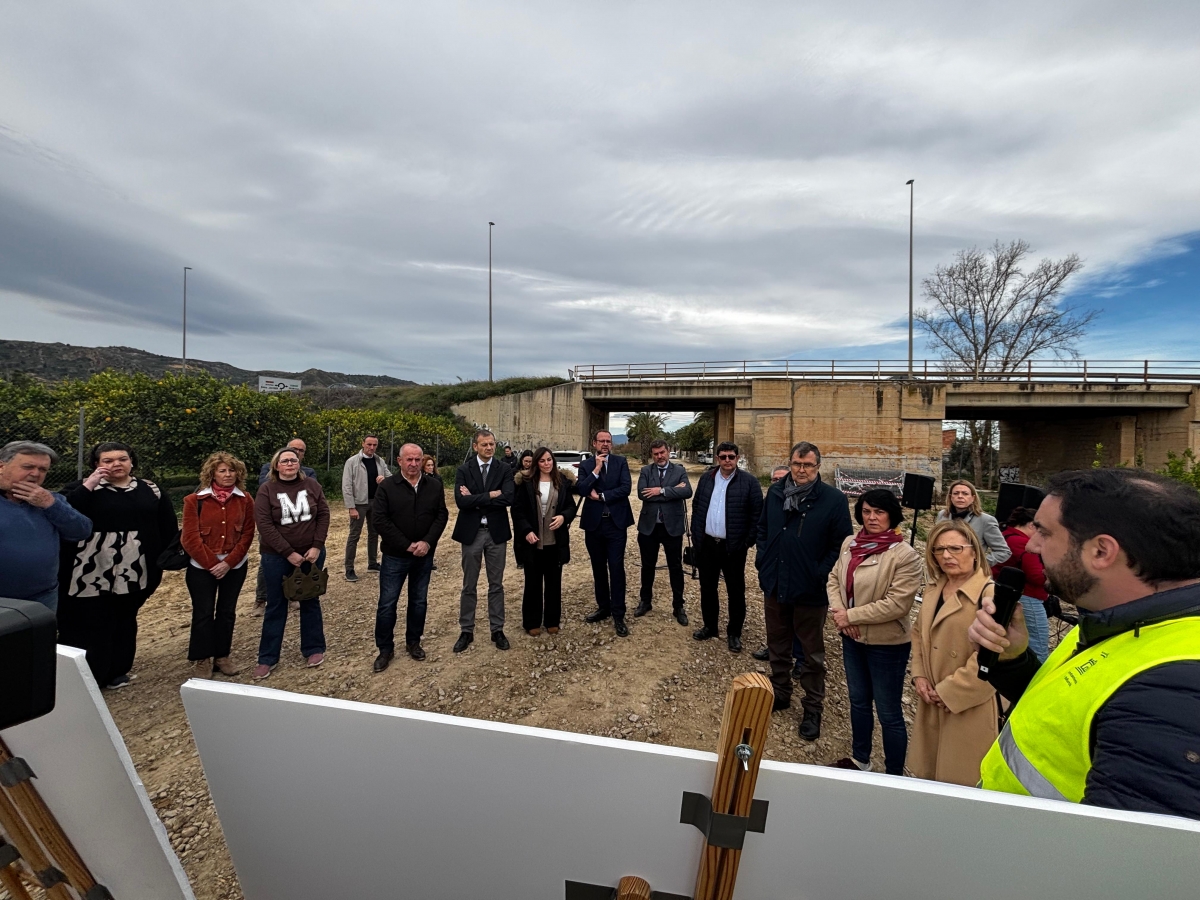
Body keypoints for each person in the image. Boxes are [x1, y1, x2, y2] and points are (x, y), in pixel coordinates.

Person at [970, 469, 1200, 820]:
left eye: (1044, 532)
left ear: (1101, 550)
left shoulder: (1171, 693)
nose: (1031, 544)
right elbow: (1074, 715)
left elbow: (1122, 860)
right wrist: (1014, 659)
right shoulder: (1115, 617)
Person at [57, 442, 179, 689]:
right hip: (89, 570)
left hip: (134, 569)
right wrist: (89, 485)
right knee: (90, 620)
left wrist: (163, 560)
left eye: (122, 459)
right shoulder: (80, 489)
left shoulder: (150, 489)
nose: (116, 464)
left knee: (124, 618)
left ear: (131, 461)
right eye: (108, 460)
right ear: (96, 465)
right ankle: (86, 676)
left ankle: (117, 670)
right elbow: (65, 513)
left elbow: (166, 526)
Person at [756, 441, 852, 740]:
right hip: (775, 582)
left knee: (811, 654)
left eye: (807, 465)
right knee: (778, 644)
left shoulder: (833, 500)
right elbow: (763, 528)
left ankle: (812, 708)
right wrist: (763, 559)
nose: (801, 470)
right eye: (797, 464)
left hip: (810, 589)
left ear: (817, 467)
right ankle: (781, 692)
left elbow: (841, 544)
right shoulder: (775, 492)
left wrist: (819, 572)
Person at [826, 489, 922, 775]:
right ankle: (861, 759)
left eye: (879, 512)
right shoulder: (850, 543)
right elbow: (833, 579)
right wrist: (841, 615)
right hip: (852, 638)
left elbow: (897, 604)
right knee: (858, 701)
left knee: (889, 712)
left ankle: (894, 774)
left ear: (891, 515)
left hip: (887, 645)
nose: (872, 517)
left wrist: (850, 615)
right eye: (867, 511)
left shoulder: (905, 556)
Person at [909, 519, 998, 786]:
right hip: (932, 698)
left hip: (968, 705)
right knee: (930, 777)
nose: (947, 555)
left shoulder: (991, 595)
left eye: (955, 548)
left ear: (974, 550)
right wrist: (920, 676)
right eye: (939, 549)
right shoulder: (934, 589)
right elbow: (918, 633)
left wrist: (949, 692)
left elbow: (993, 656)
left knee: (961, 782)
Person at [252, 447, 331, 679]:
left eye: (293, 460)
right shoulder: (267, 490)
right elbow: (265, 525)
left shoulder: (312, 486)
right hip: (276, 556)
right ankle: (267, 658)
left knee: (310, 600)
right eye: (285, 461)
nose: (290, 464)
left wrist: (317, 545)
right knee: (276, 605)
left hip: (311, 554)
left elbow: (324, 514)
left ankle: (314, 648)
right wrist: (288, 553)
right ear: (276, 465)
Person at [371, 444, 448, 670]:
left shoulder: (434, 485)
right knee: (387, 604)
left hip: (424, 556)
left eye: (417, 459)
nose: (414, 464)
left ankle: (413, 642)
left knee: (418, 601)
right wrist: (406, 545)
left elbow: (441, 515)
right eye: (409, 460)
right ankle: (385, 649)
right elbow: (380, 520)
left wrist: (427, 542)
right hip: (395, 556)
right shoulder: (387, 487)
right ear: (399, 461)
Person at [180, 452, 256, 678]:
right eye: (222, 470)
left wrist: (229, 562)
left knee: (226, 611)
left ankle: (222, 656)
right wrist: (213, 564)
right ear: (212, 473)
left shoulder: (245, 500)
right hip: (202, 567)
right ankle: (202, 658)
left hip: (234, 566)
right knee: (203, 612)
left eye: (232, 470)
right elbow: (190, 538)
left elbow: (247, 534)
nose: (228, 475)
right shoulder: (194, 501)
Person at [0, 440, 92, 611]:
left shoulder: (50, 500)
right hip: (3, 599)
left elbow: (82, 531)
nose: (35, 474)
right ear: (1, 466)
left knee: (39, 638)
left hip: (42, 596)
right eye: (28, 467)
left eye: (43, 469)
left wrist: (50, 504)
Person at [691, 442, 763, 653]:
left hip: (733, 548)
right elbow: (697, 507)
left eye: (731, 456)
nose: (727, 460)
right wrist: (697, 537)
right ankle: (710, 626)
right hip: (707, 545)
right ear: (717, 458)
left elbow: (756, 516)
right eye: (723, 457)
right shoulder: (706, 479)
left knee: (736, 591)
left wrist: (746, 542)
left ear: (737, 457)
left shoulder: (749, 482)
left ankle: (734, 633)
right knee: (707, 588)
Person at [451, 429, 515, 652]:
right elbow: (461, 501)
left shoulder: (504, 469)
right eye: (484, 444)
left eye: (492, 444)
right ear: (475, 446)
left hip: (496, 533)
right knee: (469, 585)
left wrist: (475, 499)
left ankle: (497, 629)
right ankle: (466, 630)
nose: (489, 448)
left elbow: (508, 497)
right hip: (472, 532)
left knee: (496, 584)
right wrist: (490, 495)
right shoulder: (464, 469)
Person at [511, 447, 578, 636]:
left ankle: (552, 620)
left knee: (553, 583)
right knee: (532, 583)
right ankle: (532, 622)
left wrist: (564, 517)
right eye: (542, 461)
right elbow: (517, 510)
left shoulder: (562, 481)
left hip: (555, 542)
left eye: (549, 460)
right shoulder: (525, 483)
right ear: (536, 463)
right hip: (533, 541)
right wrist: (526, 531)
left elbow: (570, 507)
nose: (547, 463)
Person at [576, 429, 635, 637]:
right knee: (598, 567)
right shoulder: (585, 466)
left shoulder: (621, 462)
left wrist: (601, 495)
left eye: (608, 441)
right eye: (601, 441)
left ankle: (619, 614)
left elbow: (625, 488)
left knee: (616, 568)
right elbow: (581, 489)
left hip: (616, 525)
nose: (605, 444)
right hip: (594, 526)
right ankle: (603, 607)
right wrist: (596, 469)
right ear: (594, 443)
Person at [253, 438, 314, 616]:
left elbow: (312, 496)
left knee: (298, 562)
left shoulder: (309, 473)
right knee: (266, 566)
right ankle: (261, 598)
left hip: (300, 527)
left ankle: (293, 594)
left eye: (301, 451)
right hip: (275, 530)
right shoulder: (268, 468)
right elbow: (267, 490)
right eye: (294, 449)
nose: (297, 453)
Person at [635, 439, 693, 625]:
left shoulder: (680, 471)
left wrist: (660, 491)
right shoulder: (646, 471)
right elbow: (642, 494)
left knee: (675, 568)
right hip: (649, 527)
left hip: (672, 527)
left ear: (668, 451)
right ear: (652, 455)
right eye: (656, 454)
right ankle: (645, 601)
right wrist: (673, 491)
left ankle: (678, 606)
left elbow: (687, 492)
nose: (659, 456)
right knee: (647, 566)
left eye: (662, 452)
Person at [995, 506, 1051, 663]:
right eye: (1040, 530)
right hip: (1028, 597)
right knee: (1038, 643)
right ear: (1031, 525)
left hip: (1010, 594)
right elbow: (1036, 576)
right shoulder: (1021, 542)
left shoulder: (1005, 536)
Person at [752, 464, 791, 663]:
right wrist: (762, 557)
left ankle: (800, 660)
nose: (779, 483)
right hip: (773, 567)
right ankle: (774, 649)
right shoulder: (771, 501)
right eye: (775, 480)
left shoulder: (805, 501)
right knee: (775, 616)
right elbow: (762, 529)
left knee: (799, 618)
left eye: (783, 479)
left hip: (797, 570)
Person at [342, 435, 391, 582]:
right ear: (363, 443)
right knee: (354, 536)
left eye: (375, 445)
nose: (372, 447)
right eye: (369, 444)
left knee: (374, 533)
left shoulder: (379, 461)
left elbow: (392, 478)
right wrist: (351, 507)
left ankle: (372, 563)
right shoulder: (352, 462)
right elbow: (346, 485)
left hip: (375, 502)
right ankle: (349, 568)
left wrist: (385, 479)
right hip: (359, 504)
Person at [936, 479, 1010, 568]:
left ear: (973, 498)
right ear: (950, 497)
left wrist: (978, 564)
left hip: (970, 575)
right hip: (944, 570)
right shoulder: (942, 515)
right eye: (956, 493)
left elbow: (1003, 551)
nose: (960, 496)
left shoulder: (985, 520)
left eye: (965, 493)